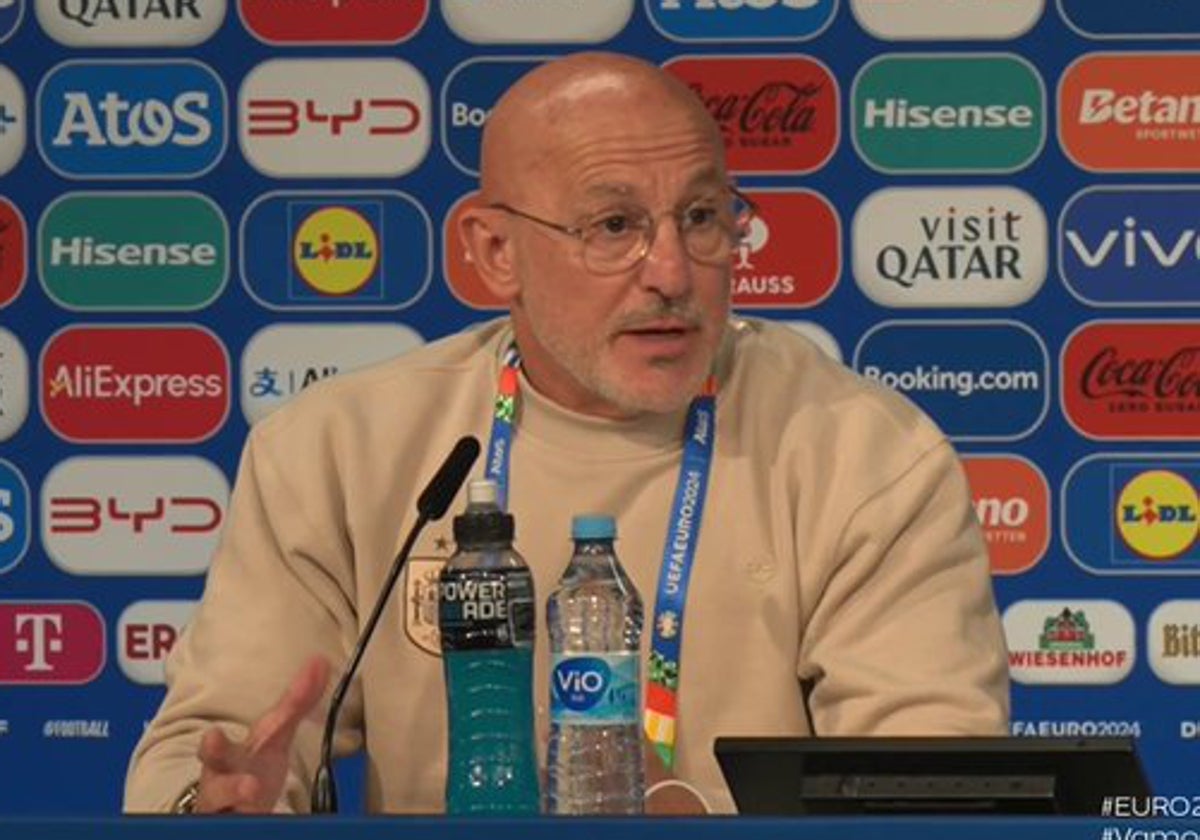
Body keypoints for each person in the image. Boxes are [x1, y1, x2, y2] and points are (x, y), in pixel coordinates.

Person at [124, 51, 1009, 815]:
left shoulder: (865, 454)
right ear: (493, 252)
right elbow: (214, 749)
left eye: (701, 217)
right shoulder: (338, 450)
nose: (669, 272)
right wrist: (219, 806)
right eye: (614, 226)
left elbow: (928, 792)